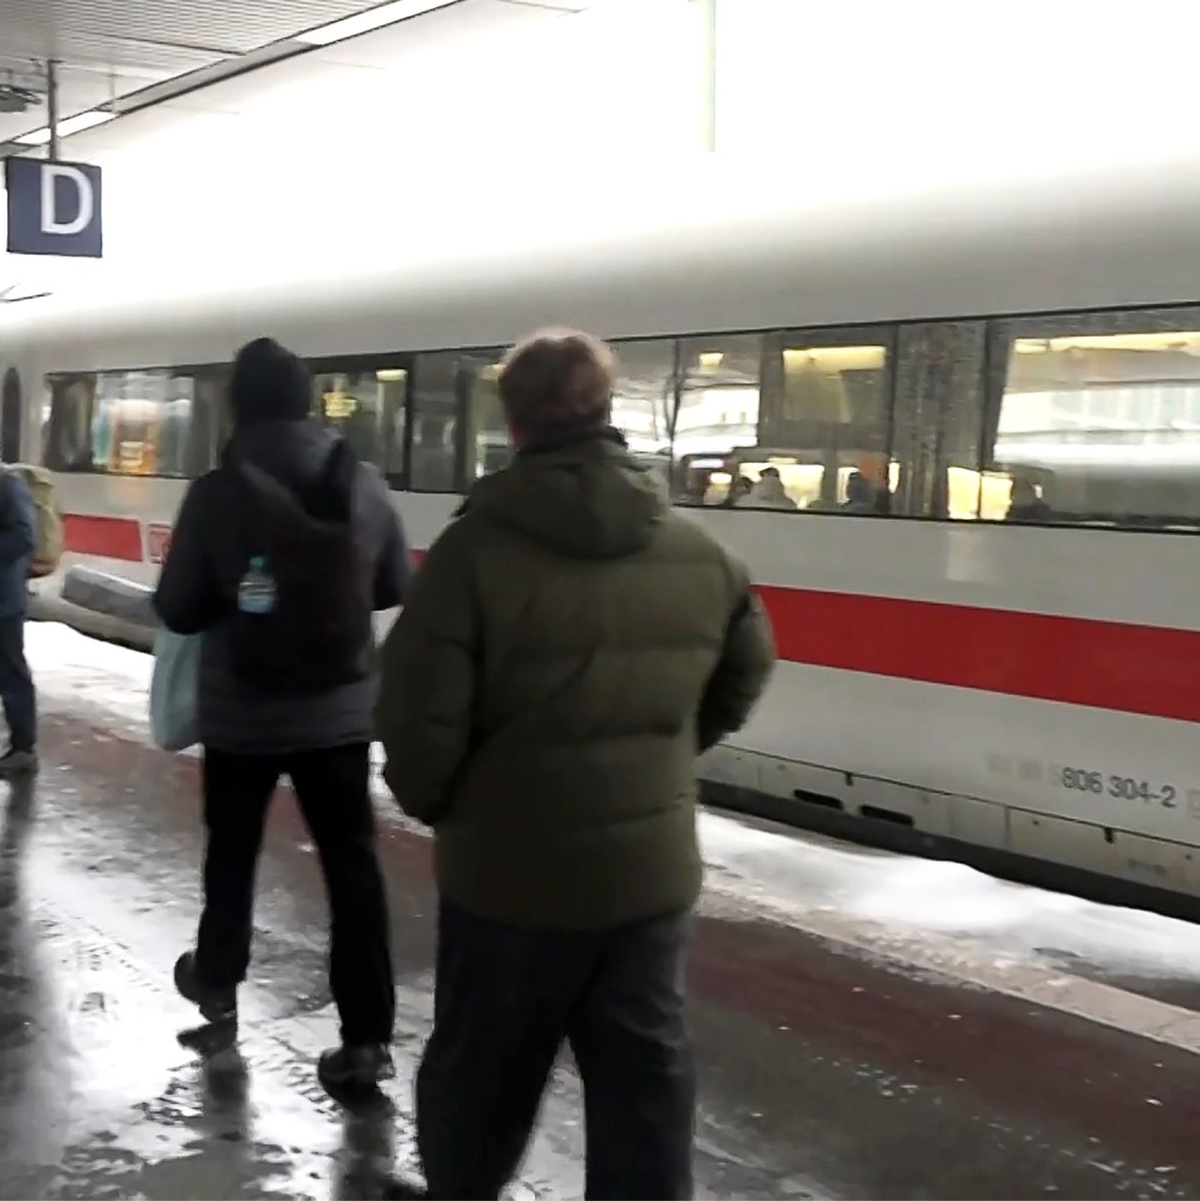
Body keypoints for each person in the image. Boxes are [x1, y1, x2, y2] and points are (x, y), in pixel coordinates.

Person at [376, 329, 776, 1200]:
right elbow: (746, 670)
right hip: (646, 880)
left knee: (481, 1076)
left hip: (508, 880)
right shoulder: (701, 552)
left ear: (513, 421)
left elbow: (413, 718)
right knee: (644, 1084)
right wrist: (661, 763)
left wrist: (449, 804)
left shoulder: (471, 556)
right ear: (607, 409)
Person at [153, 337, 409, 1092]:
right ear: (308, 402)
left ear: (239, 405)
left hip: (244, 717)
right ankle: (367, 1038)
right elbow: (394, 584)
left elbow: (179, 606)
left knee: (232, 855)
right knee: (352, 868)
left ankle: (218, 987)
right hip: (339, 714)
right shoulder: (363, 484)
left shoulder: (216, 492)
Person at [0, 469, 36, 778]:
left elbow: (24, 538)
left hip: (4, 604)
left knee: (12, 675)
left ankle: (24, 749)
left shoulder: (8, 486)